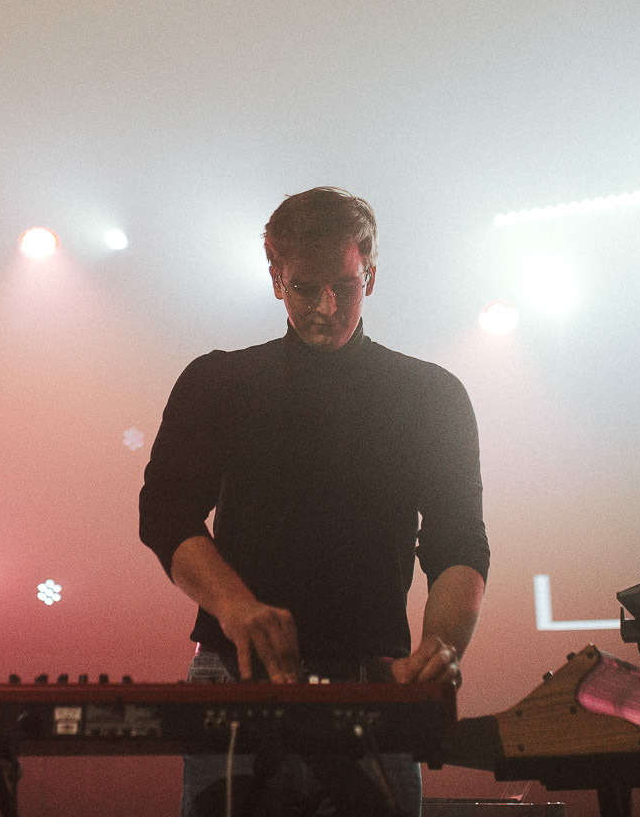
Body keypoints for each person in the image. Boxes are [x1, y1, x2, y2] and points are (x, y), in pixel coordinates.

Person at [139, 187, 490, 817]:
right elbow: (165, 515)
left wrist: (441, 646)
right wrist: (236, 607)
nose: (327, 307)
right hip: (237, 674)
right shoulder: (219, 382)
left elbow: (458, 541)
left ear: (370, 276)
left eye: (345, 287)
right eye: (305, 288)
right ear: (276, 278)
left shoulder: (431, 395)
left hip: (376, 678)